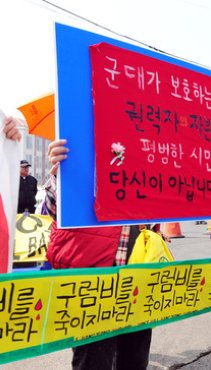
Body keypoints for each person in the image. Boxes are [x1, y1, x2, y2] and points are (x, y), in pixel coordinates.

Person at [45, 139, 153, 370]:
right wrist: (58, 175)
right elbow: (53, 210)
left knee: (134, 360)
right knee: (93, 361)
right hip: (92, 281)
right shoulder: (78, 150)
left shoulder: (146, 153)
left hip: (138, 278)